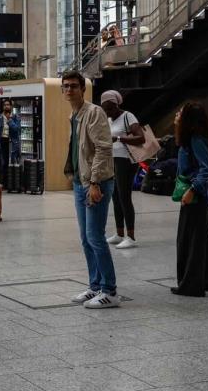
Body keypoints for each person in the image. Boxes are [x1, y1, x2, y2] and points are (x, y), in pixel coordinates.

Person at [62, 71, 119, 308]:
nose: (69, 90)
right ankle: (95, 285)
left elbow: (103, 149)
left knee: (96, 237)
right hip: (80, 182)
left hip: (96, 182)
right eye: (65, 87)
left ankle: (110, 291)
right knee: (86, 238)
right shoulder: (73, 115)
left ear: (83, 89)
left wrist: (94, 183)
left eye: (74, 86)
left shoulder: (94, 112)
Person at [171, 102, 208, 297]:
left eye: (180, 113)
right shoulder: (191, 138)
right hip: (195, 197)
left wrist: (193, 189)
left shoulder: (195, 139)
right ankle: (207, 280)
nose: (176, 114)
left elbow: (207, 169)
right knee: (202, 239)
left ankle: (191, 284)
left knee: (190, 240)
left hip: (194, 197)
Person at [100, 90, 145, 249]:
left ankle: (131, 236)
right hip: (113, 159)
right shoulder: (109, 119)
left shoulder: (128, 116)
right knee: (116, 196)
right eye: (105, 109)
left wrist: (118, 138)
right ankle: (119, 233)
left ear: (117, 104)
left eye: (111, 108)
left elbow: (141, 137)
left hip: (126, 160)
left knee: (124, 196)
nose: (108, 112)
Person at [0, 100, 21, 187]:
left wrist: (9, 121)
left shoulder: (15, 117)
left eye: (8, 105)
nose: (6, 106)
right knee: (2, 163)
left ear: (11, 106)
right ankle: (3, 183)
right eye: (5, 105)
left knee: (11, 162)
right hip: (1, 142)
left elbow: (17, 129)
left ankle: (11, 183)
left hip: (11, 143)